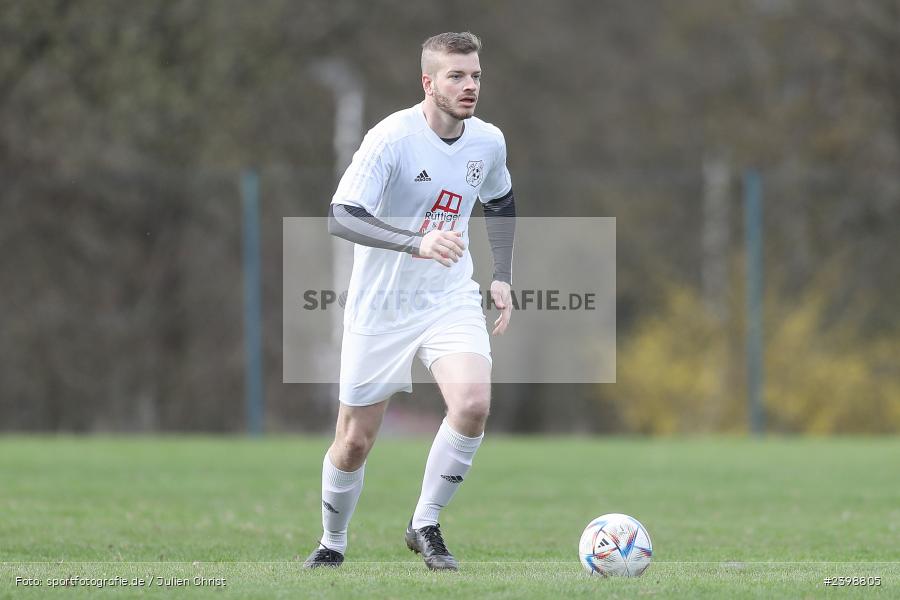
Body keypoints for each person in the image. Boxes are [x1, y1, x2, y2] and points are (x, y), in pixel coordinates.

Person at [304, 31, 516, 571]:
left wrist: (502, 275)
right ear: (428, 82)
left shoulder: (487, 142)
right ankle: (332, 542)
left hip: (448, 297)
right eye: (456, 76)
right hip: (381, 307)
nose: (469, 86)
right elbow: (341, 215)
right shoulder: (391, 139)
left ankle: (425, 523)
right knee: (353, 442)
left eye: (475, 76)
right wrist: (414, 240)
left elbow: (501, 199)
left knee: (471, 404)